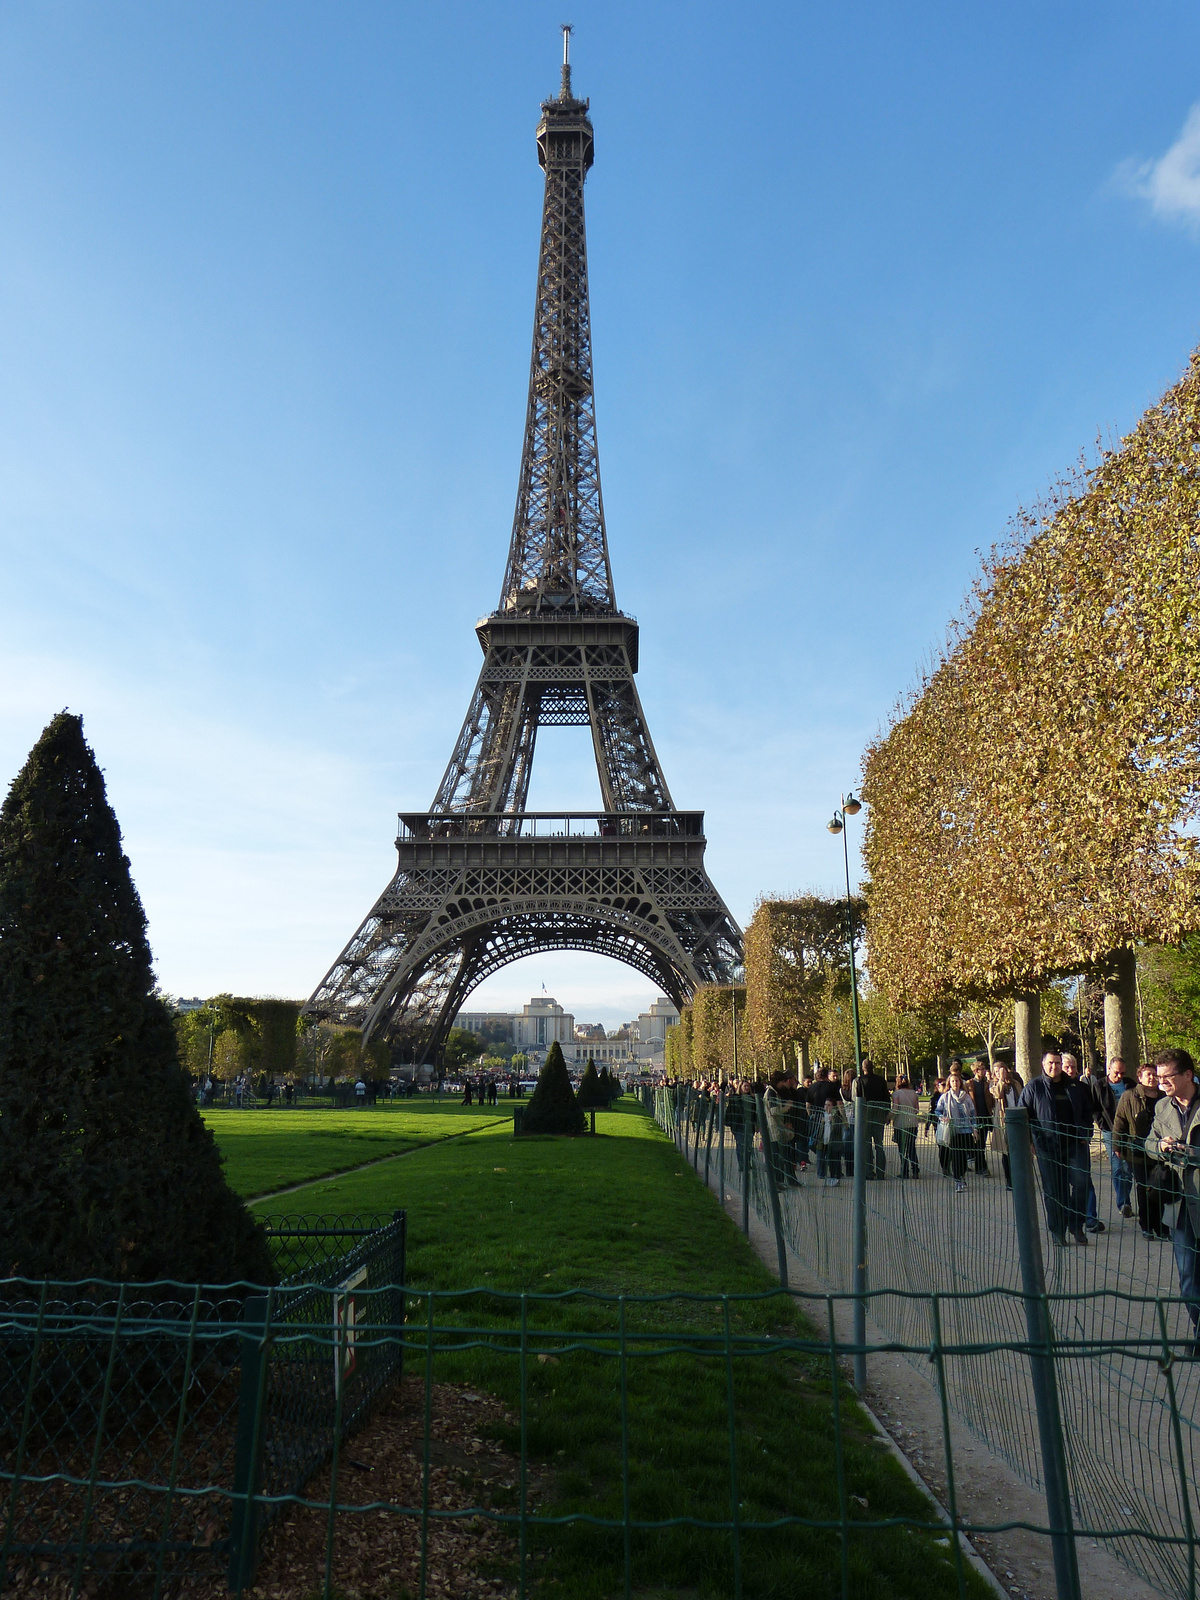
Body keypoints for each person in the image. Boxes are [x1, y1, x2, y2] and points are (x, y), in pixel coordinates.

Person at [1145, 1048, 1200, 1345]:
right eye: (1158, 1076)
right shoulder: (1162, 1108)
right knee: (1188, 1275)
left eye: (1167, 1076)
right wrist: (1161, 1147)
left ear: (1188, 1075)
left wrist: (1191, 1153)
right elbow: (1148, 1143)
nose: (1160, 1081)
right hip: (1179, 1205)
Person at [1018, 1050, 1092, 1245]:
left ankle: (1076, 1226)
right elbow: (1021, 1115)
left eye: (1057, 1063)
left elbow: (1087, 1111)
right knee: (1055, 1191)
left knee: (1082, 1184)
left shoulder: (1075, 1086)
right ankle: (1058, 1230)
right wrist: (1030, 1141)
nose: (1054, 1067)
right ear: (1043, 1064)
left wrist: (1085, 1133)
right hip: (1047, 1147)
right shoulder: (1034, 1087)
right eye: (1050, 1063)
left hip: (1075, 1144)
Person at [1114, 1064, 1171, 1240]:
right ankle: (1146, 1225)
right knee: (1144, 1187)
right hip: (1137, 1151)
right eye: (1148, 1074)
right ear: (1140, 1077)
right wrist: (1118, 1146)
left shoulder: (1165, 1097)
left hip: (1160, 1150)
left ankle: (1162, 1226)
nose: (1152, 1078)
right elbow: (1120, 1122)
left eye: (1155, 1074)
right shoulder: (1129, 1096)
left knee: (1160, 1186)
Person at [1062, 1054, 1105, 1234]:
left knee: (1084, 1180)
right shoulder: (1046, 1088)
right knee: (1062, 1183)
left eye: (1073, 1066)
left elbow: (1090, 1113)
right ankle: (1066, 1219)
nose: (1071, 1070)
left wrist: (1087, 1133)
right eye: (1067, 1067)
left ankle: (1090, 1218)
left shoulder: (1082, 1088)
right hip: (1056, 1143)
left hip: (1079, 1141)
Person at [1090, 1057, 1133, 1217]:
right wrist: (1101, 1124)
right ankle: (1124, 1203)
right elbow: (1094, 1107)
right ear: (1109, 1069)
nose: (1120, 1076)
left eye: (1122, 1073)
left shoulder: (1130, 1084)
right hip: (1110, 1130)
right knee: (1117, 1165)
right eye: (1116, 1073)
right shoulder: (1099, 1085)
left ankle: (1125, 1197)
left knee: (1128, 1168)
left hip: (1129, 1131)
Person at [936, 1066, 976, 1191]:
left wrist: (974, 1127)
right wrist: (943, 1118)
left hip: (966, 1130)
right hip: (953, 1131)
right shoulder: (945, 1097)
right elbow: (937, 1111)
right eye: (953, 1081)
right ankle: (957, 1179)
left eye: (957, 1081)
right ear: (949, 1083)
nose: (955, 1083)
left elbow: (973, 1113)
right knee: (956, 1155)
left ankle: (962, 1176)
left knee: (964, 1156)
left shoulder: (966, 1097)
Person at [853, 1059, 891, 1178]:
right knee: (879, 1144)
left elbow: (856, 1098)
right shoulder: (881, 1080)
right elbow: (886, 1098)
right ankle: (881, 1172)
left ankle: (869, 1171)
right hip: (879, 1112)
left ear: (863, 1068)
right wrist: (886, 1114)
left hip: (866, 1113)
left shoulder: (859, 1081)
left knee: (867, 1144)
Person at [989, 1060, 1021, 1190]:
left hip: (1017, 1119)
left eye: (1001, 1069)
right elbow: (998, 1095)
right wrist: (1001, 1080)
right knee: (1006, 1151)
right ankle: (1009, 1180)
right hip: (1004, 1120)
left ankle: (1019, 1178)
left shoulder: (1015, 1083)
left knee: (1018, 1151)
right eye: (996, 1071)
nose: (999, 1073)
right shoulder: (994, 1085)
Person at [813, 1095, 848, 1186]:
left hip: (833, 1143)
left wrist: (833, 1121)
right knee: (820, 1159)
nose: (826, 1107)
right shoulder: (821, 1115)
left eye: (829, 1105)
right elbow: (816, 1129)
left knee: (833, 1161)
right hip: (822, 1141)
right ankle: (821, 1177)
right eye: (825, 1105)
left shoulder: (836, 1117)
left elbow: (838, 1129)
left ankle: (835, 1178)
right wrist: (822, 1122)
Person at [891, 1075, 920, 1178]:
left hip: (900, 1123)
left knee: (902, 1149)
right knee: (911, 1147)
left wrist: (888, 1117)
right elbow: (916, 1109)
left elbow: (895, 1108)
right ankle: (915, 1169)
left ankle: (904, 1171)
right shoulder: (914, 1094)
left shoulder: (896, 1094)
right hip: (912, 1123)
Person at [968, 1060, 994, 1176]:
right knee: (979, 1144)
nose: (984, 1071)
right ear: (975, 1071)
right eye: (981, 1069)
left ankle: (980, 1167)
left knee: (981, 1144)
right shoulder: (969, 1084)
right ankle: (982, 1167)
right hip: (975, 1117)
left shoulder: (987, 1083)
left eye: (984, 1069)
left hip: (985, 1116)